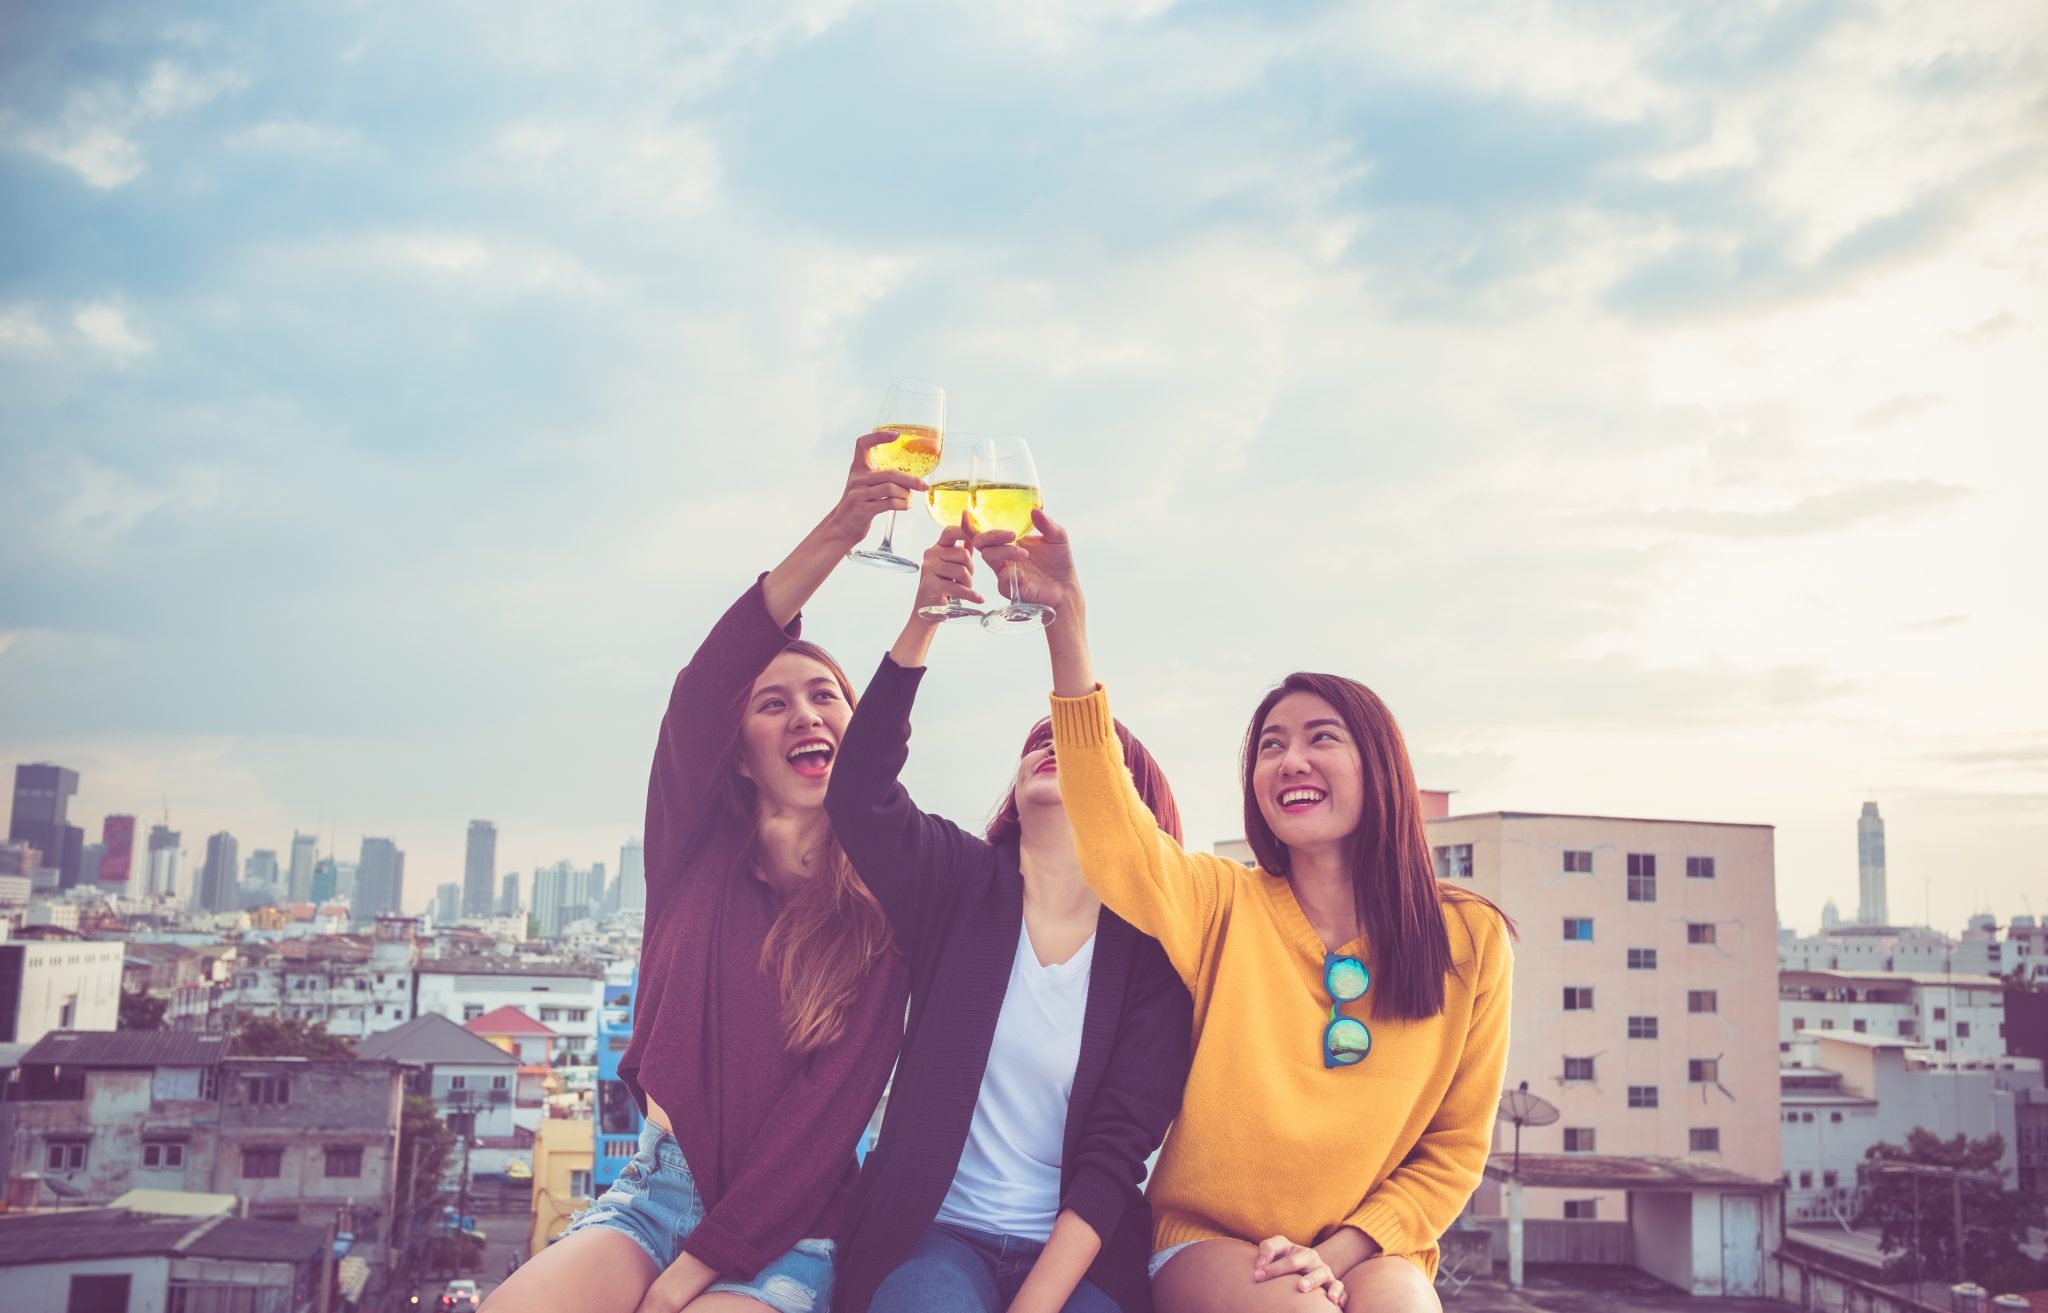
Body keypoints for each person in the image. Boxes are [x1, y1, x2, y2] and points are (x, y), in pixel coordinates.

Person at [975, 513, 1513, 1313]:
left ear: (1383, 765)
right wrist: (1066, 623)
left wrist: (1332, 1254)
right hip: (1208, 1242)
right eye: (1269, 745)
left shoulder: (1470, 936)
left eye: (1320, 738)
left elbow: (1453, 1150)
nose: (1290, 758)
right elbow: (1116, 833)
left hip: (1369, 1245)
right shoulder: (1222, 902)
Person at [485, 434, 918, 1313]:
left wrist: (689, 1275)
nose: (805, 711)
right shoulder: (692, 852)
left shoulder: (883, 907)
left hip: (790, 1226)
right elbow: (701, 684)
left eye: (825, 695)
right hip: (654, 1195)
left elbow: (821, 1126)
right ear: (740, 753)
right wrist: (843, 525)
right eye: (773, 701)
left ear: (857, 727)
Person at [824, 524, 1193, 1313]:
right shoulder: (957, 881)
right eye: (1039, 738)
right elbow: (857, 793)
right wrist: (923, 619)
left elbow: (1116, 1154)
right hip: (933, 1233)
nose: (1055, 742)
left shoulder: (1156, 951)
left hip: (1077, 1257)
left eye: (1086, 744)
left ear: (1137, 806)